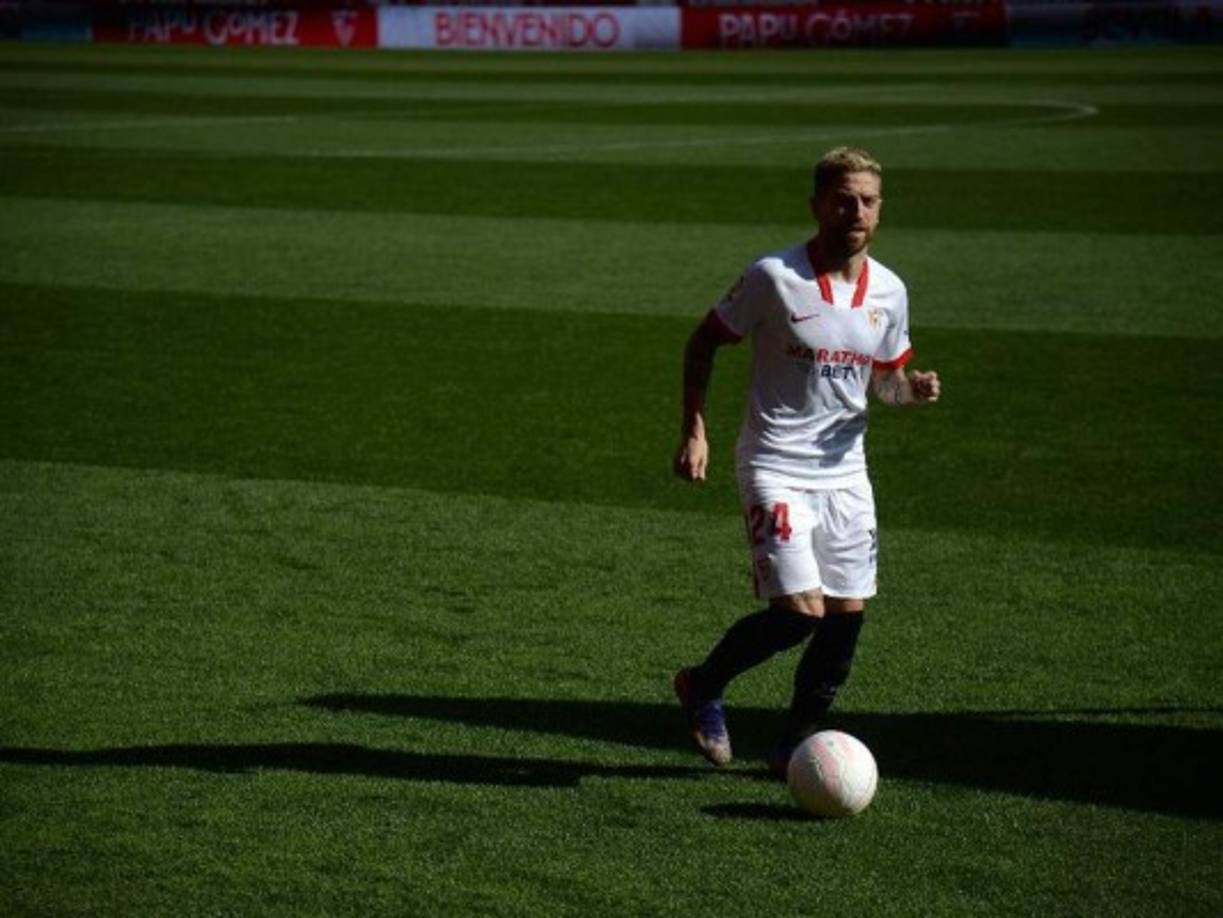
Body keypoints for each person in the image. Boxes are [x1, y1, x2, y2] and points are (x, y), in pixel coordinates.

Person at [672, 146, 940, 777]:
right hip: (773, 463)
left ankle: (794, 741)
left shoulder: (891, 291)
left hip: (847, 475)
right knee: (799, 614)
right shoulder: (774, 277)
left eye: (868, 201)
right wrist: (695, 429)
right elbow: (704, 341)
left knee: (846, 617)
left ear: (880, 210)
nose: (857, 211)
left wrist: (912, 390)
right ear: (818, 205)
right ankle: (704, 685)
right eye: (843, 198)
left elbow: (886, 381)